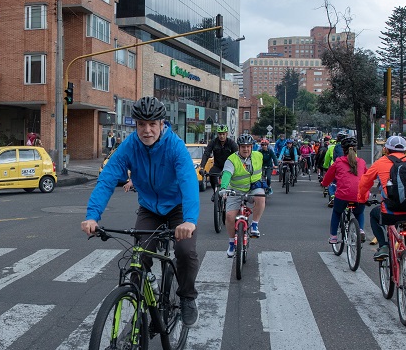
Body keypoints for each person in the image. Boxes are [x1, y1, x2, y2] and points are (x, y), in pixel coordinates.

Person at [81, 96, 201, 326]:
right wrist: (92, 216)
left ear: (162, 124)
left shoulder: (175, 147)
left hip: (177, 208)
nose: (147, 131)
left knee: (185, 251)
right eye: (141, 125)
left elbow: (189, 183)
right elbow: (107, 179)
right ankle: (143, 302)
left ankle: (187, 297)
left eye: (152, 124)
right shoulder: (129, 146)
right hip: (149, 208)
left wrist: (189, 220)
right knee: (139, 258)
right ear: (135, 125)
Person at [358, 135, 406, 293]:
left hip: (392, 212)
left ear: (387, 149)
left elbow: (364, 183)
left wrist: (361, 199)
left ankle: (383, 246)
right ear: (405, 149)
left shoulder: (380, 162)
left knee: (375, 216)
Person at [219, 134, 267, 256]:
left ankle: (254, 226)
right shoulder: (231, 159)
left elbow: (268, 157)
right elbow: (226, 174)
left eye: (248, 146)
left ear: (252, 147)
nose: (246, 149)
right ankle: (231, 243)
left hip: (253, 188)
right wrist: (224, 188)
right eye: (243, 147)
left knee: (261, 198)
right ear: (238, 147)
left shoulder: (258, 155)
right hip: (235, 190)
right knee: (230, 216)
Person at [321, 136, 367, 244]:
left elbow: (328, 177)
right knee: (359, 213)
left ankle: (333, 237)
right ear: (355, 150)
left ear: (343, 149)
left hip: (343, 195)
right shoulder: (361, 162)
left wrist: (324, 184)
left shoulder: (338, 162)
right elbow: (367, 176)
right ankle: (360, 230)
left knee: (337, 212)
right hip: (359, 195)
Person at [199, 125, 238, 198]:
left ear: (227, 134)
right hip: (217, 165)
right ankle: (215, 192)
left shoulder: (231, 143)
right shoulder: (213, 142)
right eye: (220, 134)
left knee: (232, 179)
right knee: (211, 175)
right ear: (218, 134)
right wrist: (202, 167)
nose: (222, 136)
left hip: (229, 166)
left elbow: (237, 156)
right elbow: (206, 153)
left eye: (223, 134)